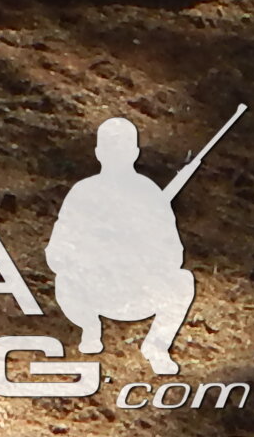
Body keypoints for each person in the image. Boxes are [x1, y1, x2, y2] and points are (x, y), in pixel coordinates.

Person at [44, 117, 199, 376]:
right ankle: (90, 328)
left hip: (134, 292)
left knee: (183, 281)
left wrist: (138, 252)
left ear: (98, 153)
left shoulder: (147, 195)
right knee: (65, 280)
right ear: (135, 153)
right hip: (94, 291)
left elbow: (173, 255)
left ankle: (155, 346)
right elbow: (58, 253)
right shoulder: (86, 192)